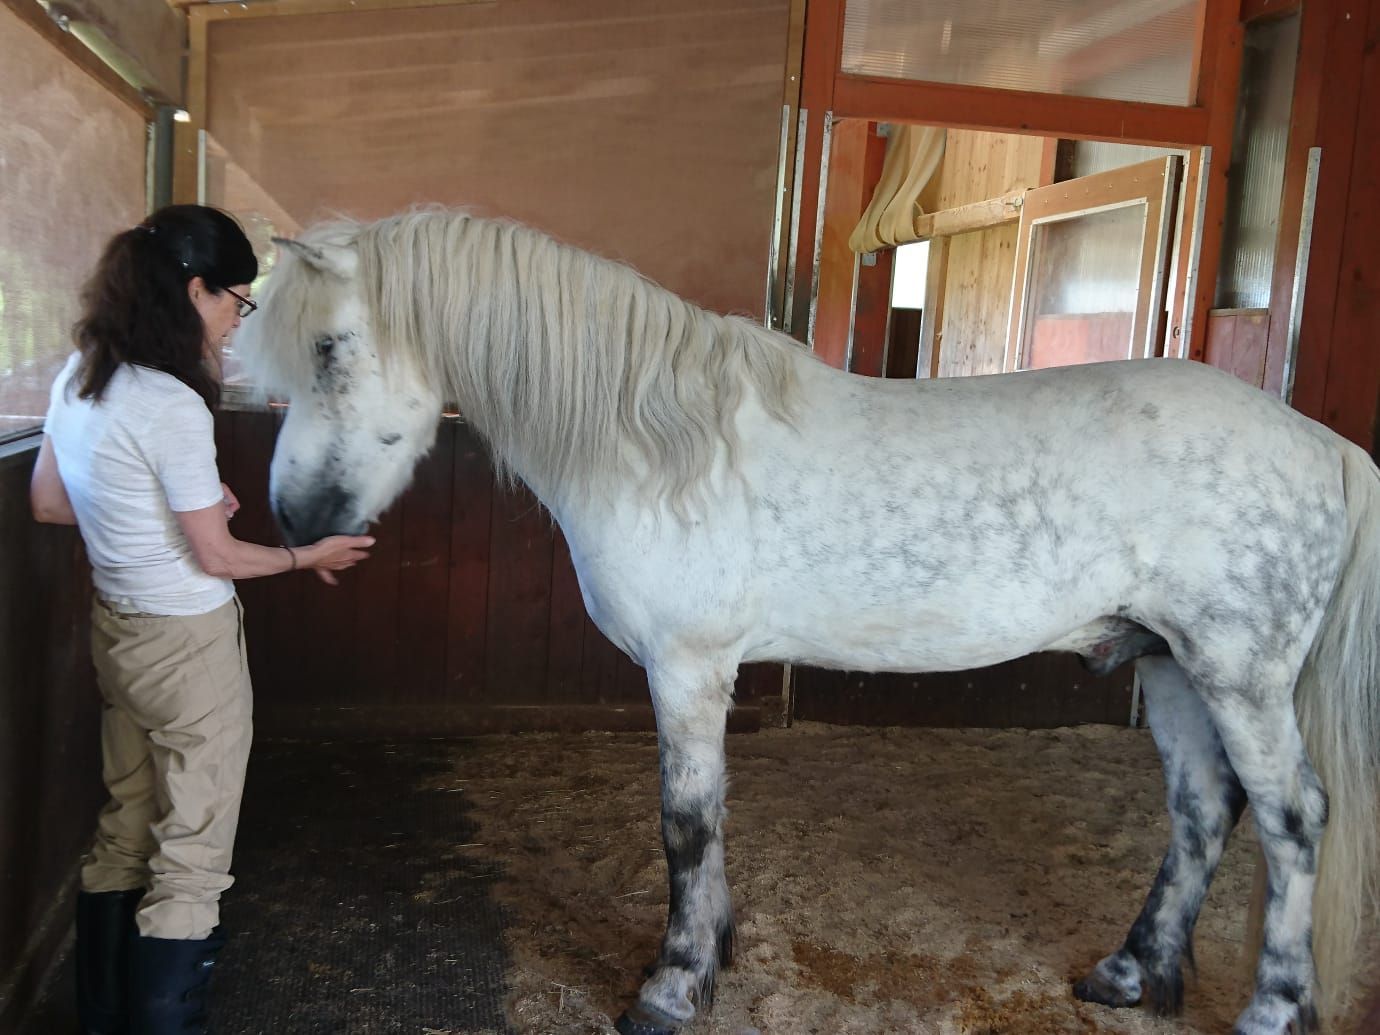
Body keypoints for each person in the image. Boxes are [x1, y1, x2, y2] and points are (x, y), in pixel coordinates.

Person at [29, 205, 374, 1035]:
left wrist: (162, 515)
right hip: (188, 647)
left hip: (120, 633)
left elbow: (48, 502)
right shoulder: (171, 403)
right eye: (235, 300)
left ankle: (102, 1019)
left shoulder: (82, 375)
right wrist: (309, 556)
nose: (234, 317)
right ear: (194, 289)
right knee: (192, 856)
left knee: (125, 828)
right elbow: (216, 559)